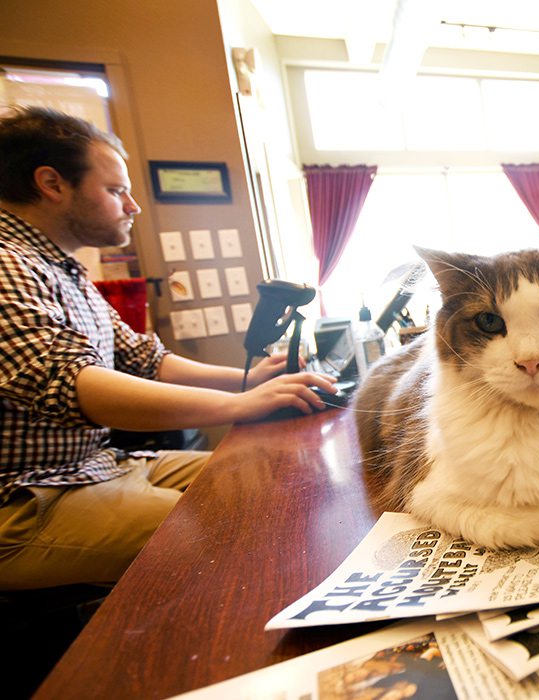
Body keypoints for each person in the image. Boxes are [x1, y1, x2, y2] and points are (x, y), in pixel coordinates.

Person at [0, 106, 337, 590]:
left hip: (98, 467)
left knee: (278, 479)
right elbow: (73, 386)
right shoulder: (8, 265)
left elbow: (144, 359)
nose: (132, 206)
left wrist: (250, 380)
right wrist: (239, 404)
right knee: (236, 533)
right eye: (116, 191)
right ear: (52, 184)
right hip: (28, 500)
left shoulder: (63, 269)